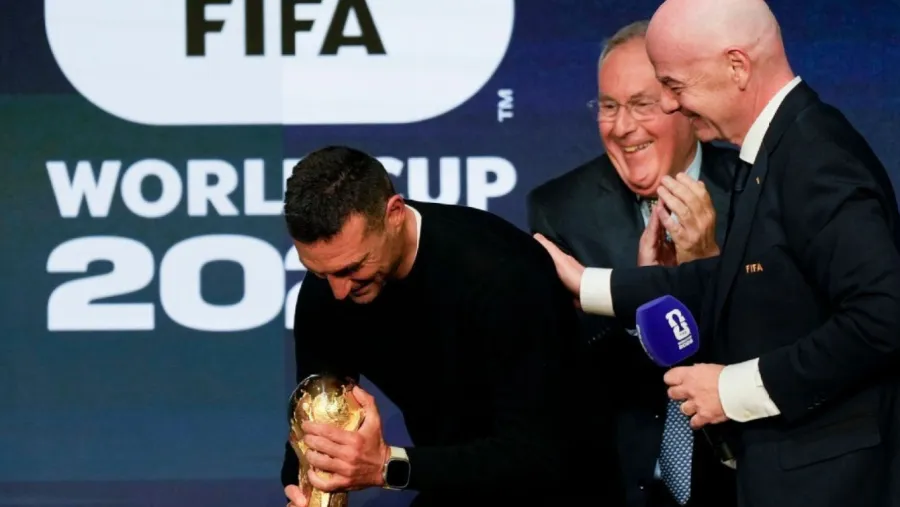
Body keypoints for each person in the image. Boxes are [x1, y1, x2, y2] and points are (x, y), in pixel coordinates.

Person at [536, 1, 900, 506]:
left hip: (829, 481)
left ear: (737, 66)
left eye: (675, 86)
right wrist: (591, 285)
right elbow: (744, 281)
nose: (669, 106)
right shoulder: (780, 149)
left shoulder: (815, 158)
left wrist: (732, 391)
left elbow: (882, 319)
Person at [279, 146, 622, 507]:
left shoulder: (502, 272)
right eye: (320, 272)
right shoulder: (329, 289)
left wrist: (385, 466)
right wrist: (304, 491)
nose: (338, 290)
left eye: (353, 268)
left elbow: (543, 452)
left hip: (566, 488)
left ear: (394, 213)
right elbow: (314, 420)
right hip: (453, 485)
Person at [527, 20, 737, 507]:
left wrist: (705, 266)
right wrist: (635, 302)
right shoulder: (560, 209)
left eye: (642, 104)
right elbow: (557, 368)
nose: (623, 127)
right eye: (608, 106)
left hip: (742, 477)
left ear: (685, 105)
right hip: (620, 483)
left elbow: (783, 335)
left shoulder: (757, 191)